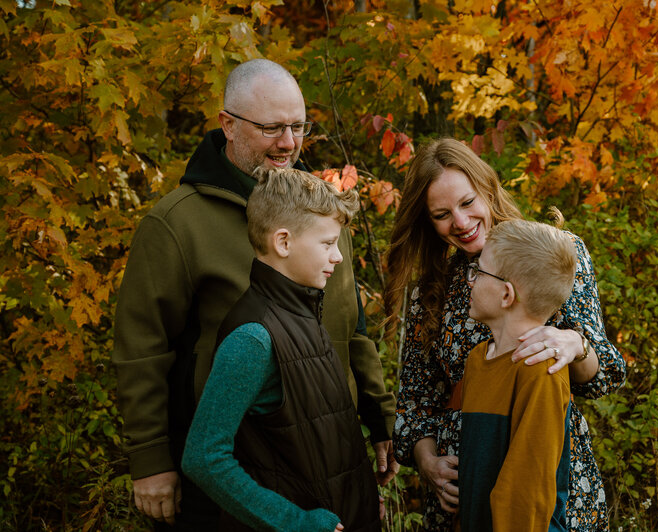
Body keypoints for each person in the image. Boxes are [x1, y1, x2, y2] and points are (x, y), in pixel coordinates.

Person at [113, 59, 397, 529]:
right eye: (271, 128)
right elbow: (142, 349)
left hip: (330, 454)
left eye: (298, 126)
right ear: (228, 124)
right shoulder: (177, 223)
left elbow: (354, 328)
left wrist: (379, 418)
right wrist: (150, 458)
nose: (288, 143)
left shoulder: (321, 213)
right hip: (242, 473)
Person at [385, 138, 626, 531]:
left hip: (539, 468)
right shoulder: (429, 292)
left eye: (467, 203)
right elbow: (415, 402)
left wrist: (576, 344)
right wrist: (428, 461)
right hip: (464, 490)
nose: (460, 223)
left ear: (487, 189)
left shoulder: (551, 252)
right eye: (442, 214)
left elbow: (607, 374)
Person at [182, 168, 380, 532]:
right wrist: (297, 524)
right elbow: (204, 458)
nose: (337, 257)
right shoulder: (253, 338)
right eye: (327, 243)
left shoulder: (302, 309)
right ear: (283, 242)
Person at [458, 219, 577, 532]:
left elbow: (527, 492)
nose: (470, 280)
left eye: (478, 272)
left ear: (506, 295)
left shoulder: (542, 371)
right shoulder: (477, 360)